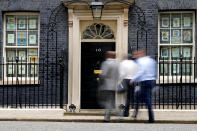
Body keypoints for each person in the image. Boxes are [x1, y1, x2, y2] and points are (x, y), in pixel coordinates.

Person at [130, 49, 157, 123]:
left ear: (141, 54)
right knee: (140, 97)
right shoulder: (152, 61)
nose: (136, 56)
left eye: (137, 55)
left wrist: (133, 80)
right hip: (151, 81)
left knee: (147, 100)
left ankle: (151, 119)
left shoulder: (141, 61)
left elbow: (141, 72)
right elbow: (155, 72)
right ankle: (135, 113)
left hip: (145, 81)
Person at [98, 51, 119, 122]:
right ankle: (116, 113)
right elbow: (119, 75)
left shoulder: (106, 63)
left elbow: (103, 75)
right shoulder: (117, 64)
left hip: (106, 85)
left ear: (108, 56)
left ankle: (109, 116)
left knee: (103, 101)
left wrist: (100, 80)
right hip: (114, 85)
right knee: (111, 101)